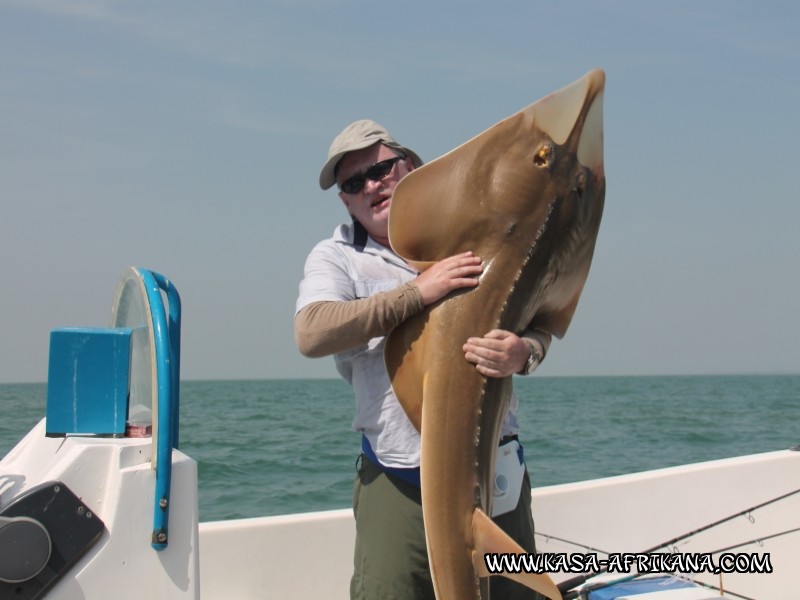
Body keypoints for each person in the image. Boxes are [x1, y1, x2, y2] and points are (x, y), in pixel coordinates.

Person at [295, 119, 552, 600]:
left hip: (495, 470)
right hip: (399, 476)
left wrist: (525, 352)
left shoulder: (471, 235)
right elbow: (311, 332)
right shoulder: (337, 258)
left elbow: (542, 317)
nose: (372, 186)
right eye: (354, 184)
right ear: (346, 201)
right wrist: (417, 292)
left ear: (410, 165)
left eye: (381, 169)